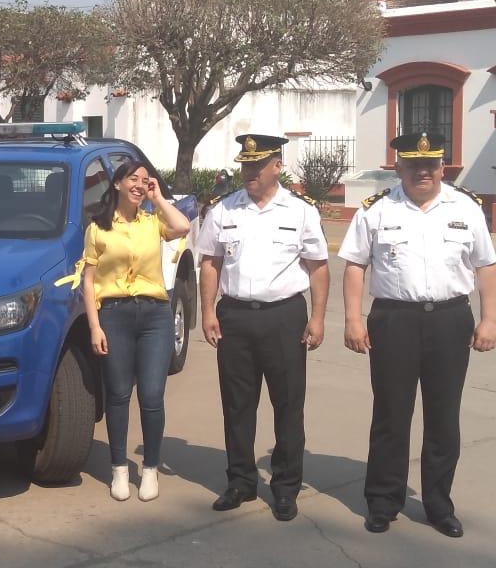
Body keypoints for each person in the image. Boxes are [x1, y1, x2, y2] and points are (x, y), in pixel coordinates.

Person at [339, 132, 496, 538]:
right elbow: (355, 264)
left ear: (443, 167)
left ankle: (439, 505)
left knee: (444, 417)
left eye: (431, 164)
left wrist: (489, 319)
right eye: (413, 164)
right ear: (400, 167)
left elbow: (485, 266)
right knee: (391, 414)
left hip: (450, 319)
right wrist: (353, 319)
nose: (423, 171)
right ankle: (383, 500)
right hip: (394, 320)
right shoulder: (377, 209)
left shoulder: (466, 207)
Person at [196, 134, 329, 521]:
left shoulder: (300, 211)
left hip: (284, 317)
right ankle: (240, 481)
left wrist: (317, 317)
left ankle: (286, 487)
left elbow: (319, 267)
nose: (248, 172)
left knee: (288, 404)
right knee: (237, 405)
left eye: (257, 165)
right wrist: (208, 311)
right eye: (245, 165)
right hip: (235, 316)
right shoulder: (224, 210)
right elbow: (210, 263)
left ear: (277, 166)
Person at [79, 161, 191, 501]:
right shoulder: (98, 228)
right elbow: (88, 281)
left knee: (152, 395)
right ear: (117, 184)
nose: (140, 185)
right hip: (114, 315)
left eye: (146, 181)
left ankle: (151, 469)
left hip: (155, 315)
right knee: (118, 394)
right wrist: (95, 326)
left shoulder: (152, 222)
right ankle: (119, 470)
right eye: (134, 179)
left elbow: (183, 225)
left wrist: (158, 199)